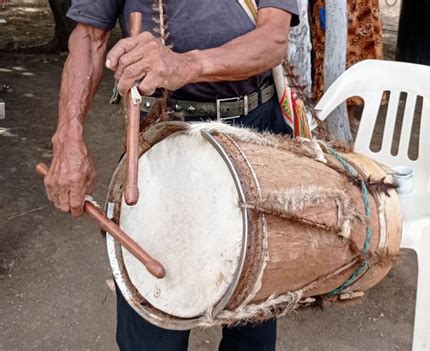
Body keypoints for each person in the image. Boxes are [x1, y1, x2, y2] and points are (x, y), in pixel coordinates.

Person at [43, 0, 299, 350]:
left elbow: (273, 38)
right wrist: (68, 137)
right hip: (158, 136)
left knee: (252, 315)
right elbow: (89, 36)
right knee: (151, 321)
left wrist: (187, 64)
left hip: (253, 133)